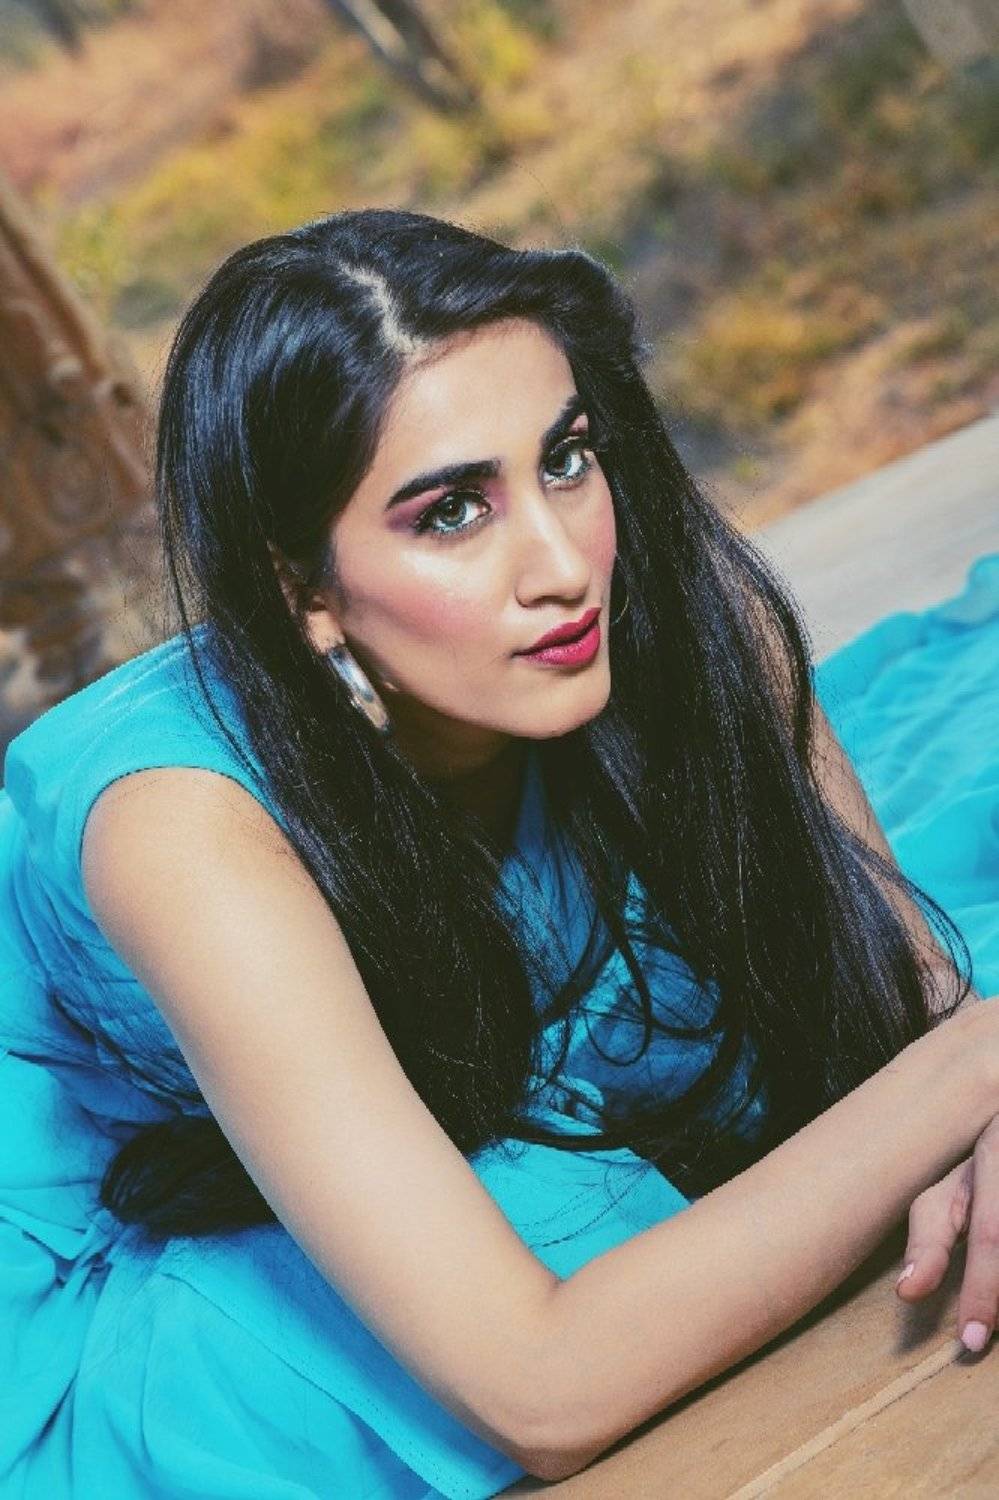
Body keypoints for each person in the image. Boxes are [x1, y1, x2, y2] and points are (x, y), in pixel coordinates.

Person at [0, 206, 997, 1499]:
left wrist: (964, 1069)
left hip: (423, 1079)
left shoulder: (663, 606)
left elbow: (910, 1010)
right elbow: (542, 1389)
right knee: (575, 1255)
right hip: (107, 1255)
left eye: (566, 459)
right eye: (454, 512)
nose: (563, 565)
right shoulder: (182, 828)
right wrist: (976, 1062)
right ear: (301, 590)